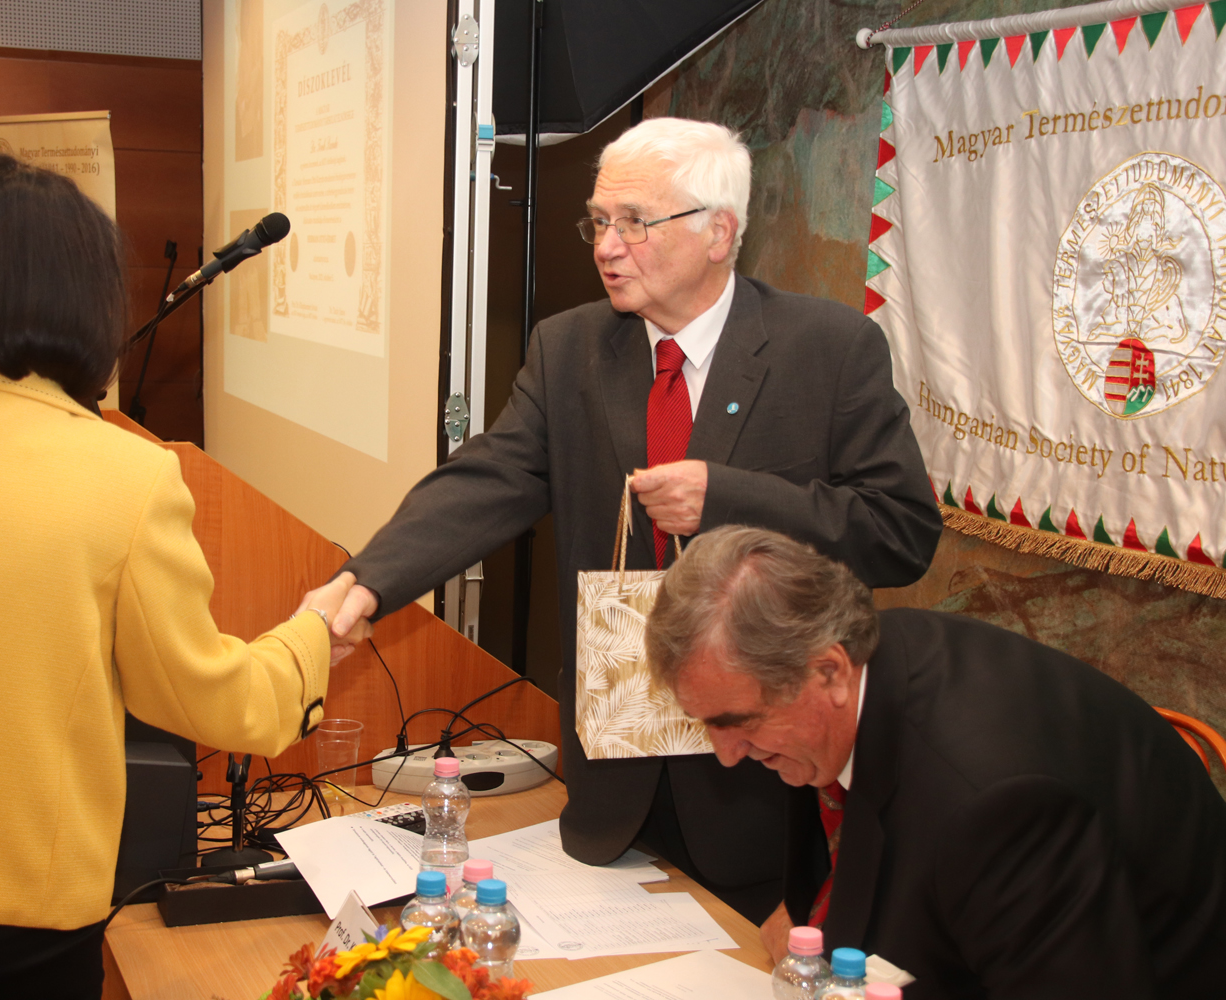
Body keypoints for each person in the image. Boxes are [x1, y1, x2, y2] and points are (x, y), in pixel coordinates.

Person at [306, 118, 941, 925]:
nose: (608, 247)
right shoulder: (569, 347)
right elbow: (489, 479)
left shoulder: (829, 348)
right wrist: (367, 582)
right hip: (614, 790)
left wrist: (727, 499)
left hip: (759, 792)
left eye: (635, 223)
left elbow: (900, 531)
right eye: (600, 222)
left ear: (720, 232)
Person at [0, 154, 359, 998]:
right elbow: (201, 693)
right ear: (82, 301)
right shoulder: (124, 476)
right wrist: (312, 641)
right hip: (19, 929)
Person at [646, 525, 1226, 997]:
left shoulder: (994, 803)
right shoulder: (859, 671)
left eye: (738, 721)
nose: (726, 754)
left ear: (828, 672)